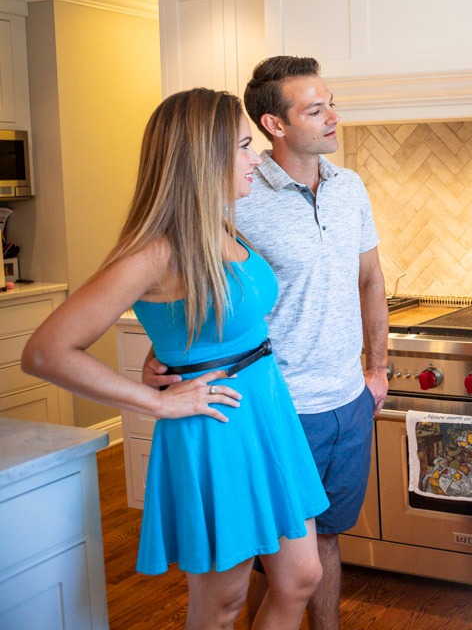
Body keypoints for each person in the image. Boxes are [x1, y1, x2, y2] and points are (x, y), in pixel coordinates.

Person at [23, 88, 327, 629]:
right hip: (215, 426)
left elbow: (204, 316)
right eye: (240, 147)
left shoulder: (222, 226)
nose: (255, 157)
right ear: (200, 159)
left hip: (265, 413)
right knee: (222, 602)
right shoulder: (156, 249)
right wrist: (154, 403)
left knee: (301, 576)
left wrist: (161, 350)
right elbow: (47, 352)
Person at [146, 56, 388, 630]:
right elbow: (192, 285)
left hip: (347, 401)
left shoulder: (349, 187)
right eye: (315, 108)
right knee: (259, 568)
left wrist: (376, 371)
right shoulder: (235, 195)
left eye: (331, 103)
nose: (333, 116)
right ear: (273, 124)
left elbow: (371, 279)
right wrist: (168, 354)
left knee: (317, 551)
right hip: (274, 405)